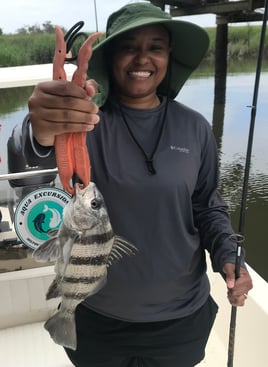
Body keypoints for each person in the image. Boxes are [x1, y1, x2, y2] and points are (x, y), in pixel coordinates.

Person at [9, 2, 253, 366]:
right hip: (96, 318)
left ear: (169, 56)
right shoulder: (84, 123)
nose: (142, 58)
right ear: (110, 58)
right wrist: (40, 130)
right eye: (129, 46)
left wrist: (226, 253)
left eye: (155, 46)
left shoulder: (195, 127)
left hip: (183, 317)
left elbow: (207, 205)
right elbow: (33, 159)